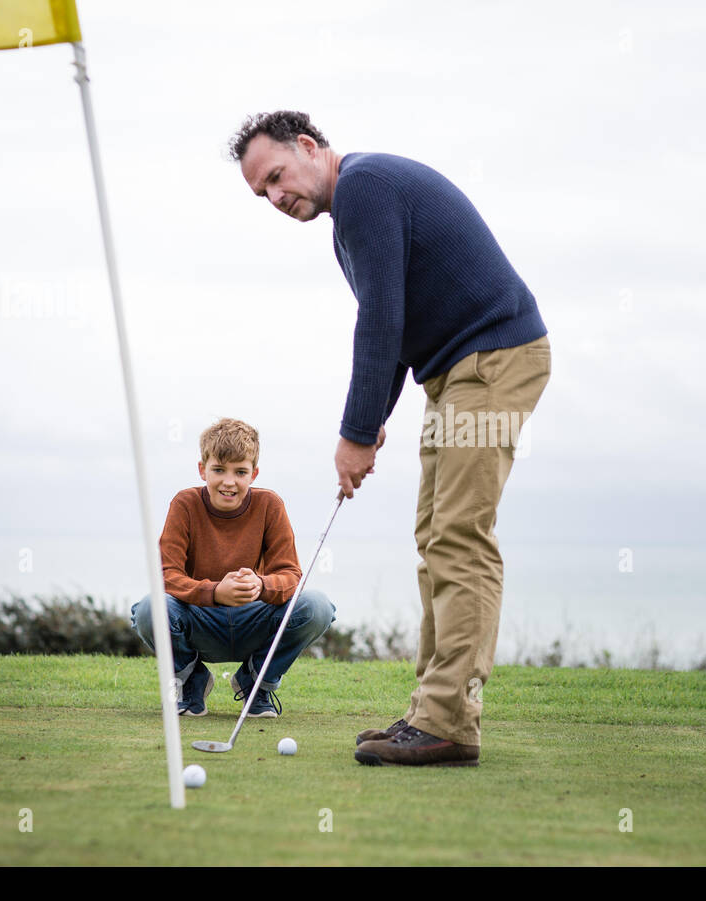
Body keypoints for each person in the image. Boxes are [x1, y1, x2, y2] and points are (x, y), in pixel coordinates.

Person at [228, 110, 550, 767]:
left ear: (311, 147)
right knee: (437, 535)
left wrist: (351, 433)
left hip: (491, 360)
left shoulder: (366, 189)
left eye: (278, 176)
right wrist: (372, 425)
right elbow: (398, 327)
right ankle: (431, 713)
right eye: (262, 193)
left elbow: (380, 317)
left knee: (458, 536)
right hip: (458, 371)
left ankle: (448, 723)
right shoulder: (356, 211)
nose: (275, 197)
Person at [130, 417, 335, 718]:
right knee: (149, 609)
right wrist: (215, 592)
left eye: (240, 472)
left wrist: (261, 585)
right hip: (199, 620)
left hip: (253, 619)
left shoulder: (270, 505)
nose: (229, 482)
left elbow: (290, 576)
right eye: (218, 470)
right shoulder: (184, 504)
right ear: (202, 470)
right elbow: (166, 576)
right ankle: (192, 682)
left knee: (317, 606)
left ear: (254, 473)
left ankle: (255, 683)